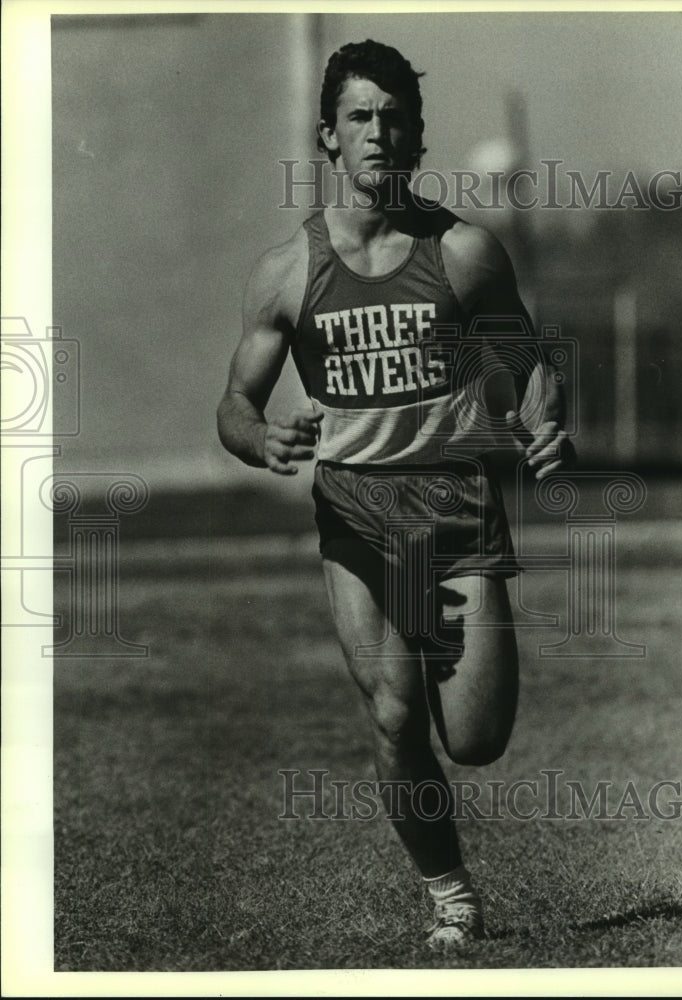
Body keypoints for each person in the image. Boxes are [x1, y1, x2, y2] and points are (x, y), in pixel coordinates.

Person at [217, 39, 574, 951]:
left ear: (417, 137)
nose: (380, 134)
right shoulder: (285, 272)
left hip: (453, 510)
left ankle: (454, 813)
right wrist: (263, 439)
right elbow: (235, 405)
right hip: (356, 513)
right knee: (390, 709)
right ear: (328, 138)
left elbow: (528, 365)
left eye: (396, 119)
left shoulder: (464, 252)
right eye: (361, 118)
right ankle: (449, 893)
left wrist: (541, 422)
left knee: (478, 738)